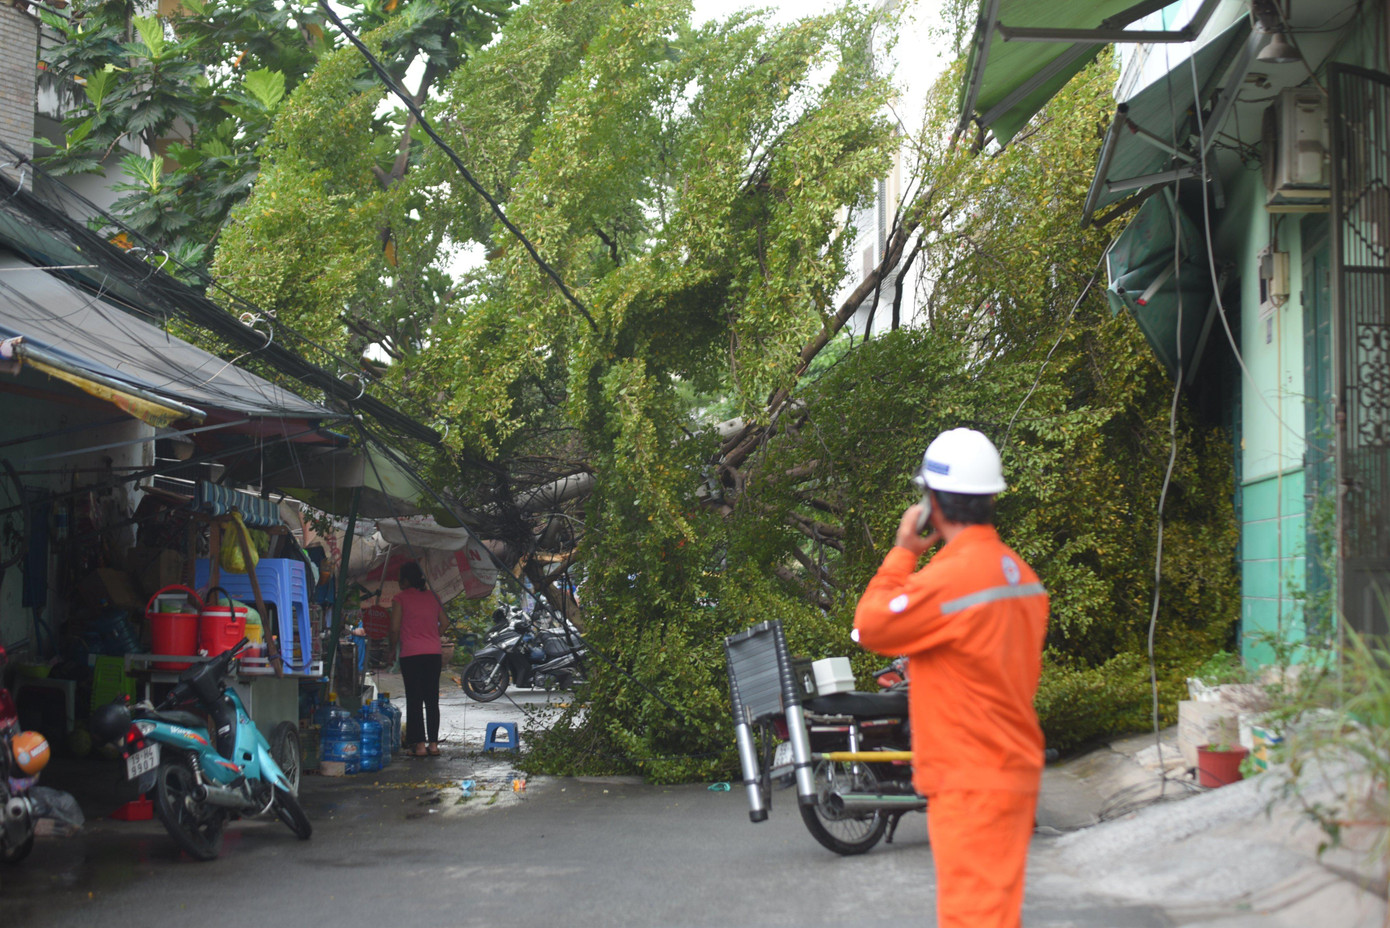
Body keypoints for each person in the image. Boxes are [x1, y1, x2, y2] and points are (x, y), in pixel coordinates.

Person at [852, 428, 1049, 928]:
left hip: (970, 779)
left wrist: (903, 551)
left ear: (931, 503)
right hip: (1012, 769)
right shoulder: (1022, 577)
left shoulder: (949, 579)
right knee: (996, 913)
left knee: (973, 919)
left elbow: (870, 625)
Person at [388, 561, 448, 757]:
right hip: (433, 654)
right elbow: (445, 622)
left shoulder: (400, 598)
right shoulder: (434, 597)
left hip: (411, 654)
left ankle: (420, 746)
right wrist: (433, 634)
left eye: (399, 579)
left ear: (405, 580)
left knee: (414, 699)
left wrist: (391, 649)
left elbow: (395, 628)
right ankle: (433, 745)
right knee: (431, 699)